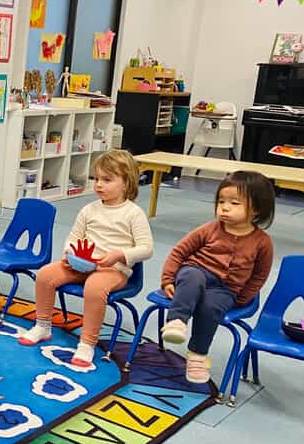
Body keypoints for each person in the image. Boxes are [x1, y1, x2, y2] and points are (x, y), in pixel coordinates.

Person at [19, 150, 153, 367]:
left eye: (107, 180)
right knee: (45, 274)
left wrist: (120, 255)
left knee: (94, 287)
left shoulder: (133, 213)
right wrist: (69, 253)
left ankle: (87, 344)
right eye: (97, 178)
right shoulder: (89, 209)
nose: (99, 184)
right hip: (82, 264)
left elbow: (147, 249)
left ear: (127, 183)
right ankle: (43, 326)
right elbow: (73, 238)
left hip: (114, 270)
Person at [160, 171, 275, 383]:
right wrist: (167, 279)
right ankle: (176, 321)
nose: (224, 207)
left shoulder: (262, 242)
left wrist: (241, 298)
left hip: (226, 289)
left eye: (234, 203)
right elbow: (179, 251)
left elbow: (260, 275)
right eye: (221, 201)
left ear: (257, 209)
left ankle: (197, 355)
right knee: (192, 277)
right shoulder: (210, 229)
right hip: (197, 270)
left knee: (211, 307)